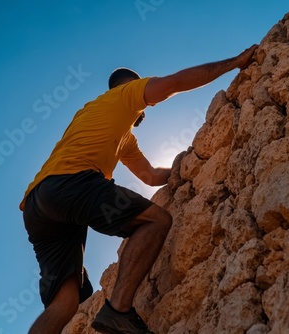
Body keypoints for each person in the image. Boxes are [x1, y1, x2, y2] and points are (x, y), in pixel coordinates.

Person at [20, 44, 257, 334]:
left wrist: (190, 163)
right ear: (132, 86)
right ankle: (118, 310)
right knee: (156, 221)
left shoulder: (112, 128)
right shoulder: (123, 95)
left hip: (38, 204)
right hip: (71, 183)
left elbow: (150, 175)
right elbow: (174, 83)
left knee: (64, 304)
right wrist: (234, 62)